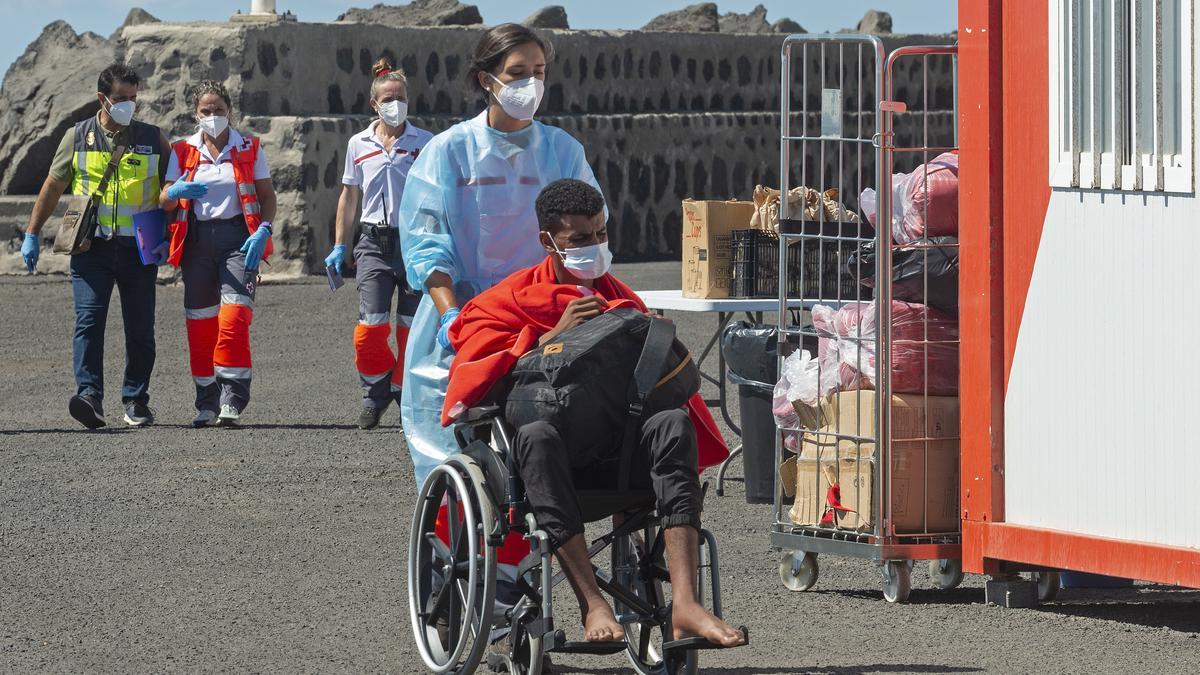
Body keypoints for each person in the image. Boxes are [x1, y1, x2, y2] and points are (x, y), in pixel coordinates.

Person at [445, 179, 745, 647]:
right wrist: (546, 340)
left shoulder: (621, 298)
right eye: (580, 240)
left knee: (672, 423)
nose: (596, 247)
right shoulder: (511, 300)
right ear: (548, 242)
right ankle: (593, 603)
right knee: (538, 437)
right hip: (552, 460)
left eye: (602, 234)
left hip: (622, 453)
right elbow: (477, 378)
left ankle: (686, 603)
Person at [397, 23, 606, 486]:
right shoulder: (447, 153)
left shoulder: (563, 151)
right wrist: (452, 316)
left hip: (545, 313)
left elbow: (591, 227)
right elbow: (427, 244)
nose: (529, 83)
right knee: (454, 455)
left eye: (539, 71)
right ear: (485, 79)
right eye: (516, 72)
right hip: (471, 320)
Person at [20, 63, 171, 429]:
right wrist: (32, 232)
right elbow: (53, 186)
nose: (130, 106)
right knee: (88, 323)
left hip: (139, 247)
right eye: (122, 99)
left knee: (141, 330)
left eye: (135, 99)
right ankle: (89, 397)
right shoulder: (77, 136)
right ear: (102, 98)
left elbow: (172, 187)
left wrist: (175, 209)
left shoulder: (154, 138)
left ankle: (136, 401)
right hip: (92, 248)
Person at [159, 80, 277, 427]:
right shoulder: (182, 151)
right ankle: (206, 401)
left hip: (238, 241)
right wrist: (176, 189)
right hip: (197, 243)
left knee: (235, 318)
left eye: (219, 111)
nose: (213, 117)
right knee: (200, 327)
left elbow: (267, 197)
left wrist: (264, 230)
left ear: (230, 111)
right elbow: (165, 199)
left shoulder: (250, 147)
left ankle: (232, 397)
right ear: (195, 115)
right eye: (206, 111)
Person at [324, 59, 433, 430]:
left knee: (410, 326)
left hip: (414, 242)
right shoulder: (359, 143)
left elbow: (437, 196)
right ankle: (375, 390)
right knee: (370, 327)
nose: (395, 103)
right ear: (374, 103)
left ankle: (402, 393)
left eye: (401, 97)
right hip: (372, 242)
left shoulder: (425, 143)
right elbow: (349, 196)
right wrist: (341, 244)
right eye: (388, 98)